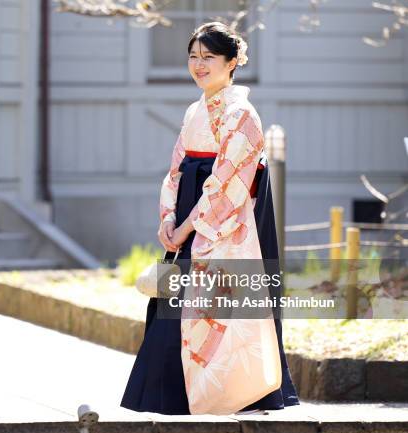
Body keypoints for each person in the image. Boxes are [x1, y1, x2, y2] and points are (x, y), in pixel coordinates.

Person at [120, 21, 300, 415]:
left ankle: (223, 397)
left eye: (209, 57)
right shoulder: (193, 111)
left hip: (223, 227)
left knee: (215, 313)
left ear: (232, 62)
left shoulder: (243, 115)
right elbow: (176, 171)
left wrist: (186, 227)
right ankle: (175, 400)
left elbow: (227, 184)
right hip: (188, 219)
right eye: (193, 57)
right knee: (175, 311)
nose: (199, 65)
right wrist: (168, 218)